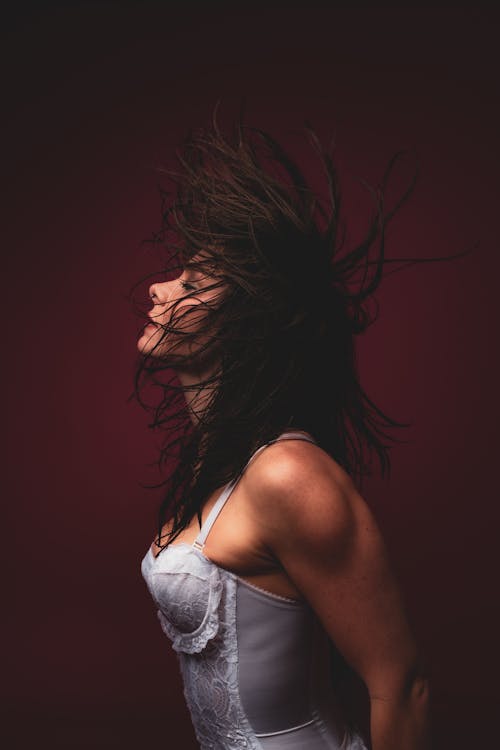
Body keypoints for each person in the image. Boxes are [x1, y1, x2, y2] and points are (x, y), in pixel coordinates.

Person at [132, 109, 440, 749]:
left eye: (190, 283)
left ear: (242, 325)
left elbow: (401, 683)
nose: (159, 289)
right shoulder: (217, 464)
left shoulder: (287, 474)